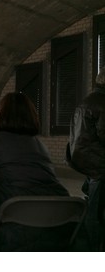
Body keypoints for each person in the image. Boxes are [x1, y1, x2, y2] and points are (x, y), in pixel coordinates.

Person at [0, 92, 70, 251]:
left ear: (1, 115)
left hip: (12, 232)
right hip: (56, 227)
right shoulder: (39, 146)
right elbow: (21, 175)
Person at [67, 67, 105, 251]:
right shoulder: (103, 102)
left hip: (85, 159)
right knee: (95, 212)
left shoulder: (88, 101)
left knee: (93, 206)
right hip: (99, 163)